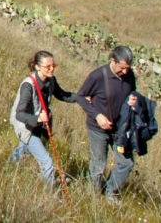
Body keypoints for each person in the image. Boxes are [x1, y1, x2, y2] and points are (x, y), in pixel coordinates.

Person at [77, 46, 137, 203]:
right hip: (98, 129)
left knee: (126, 162)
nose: (125, 72)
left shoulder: (129, 76)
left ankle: (109, 191)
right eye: (122, 68)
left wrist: (132, 100)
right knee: (99, 164)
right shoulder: (98, 76)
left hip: (119, 129)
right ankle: (92, 196)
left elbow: (132, 93)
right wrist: (97, 116)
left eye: (128, 69)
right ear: (113, 61)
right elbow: (81, 97)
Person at [9, 50, 77, 186]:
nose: (52, 69)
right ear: (37, 67)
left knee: (25, 148)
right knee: (47, 162)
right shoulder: (28, 86)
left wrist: (81, 98)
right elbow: (19, 114)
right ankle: (48, 194)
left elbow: (62, 95)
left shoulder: (51, 80)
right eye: (48, 67)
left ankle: (10, 164)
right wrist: (37, 118)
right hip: (26, 126)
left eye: (53, 66)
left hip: (40, 126)